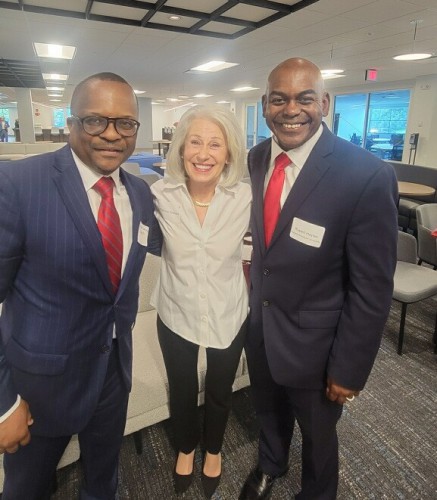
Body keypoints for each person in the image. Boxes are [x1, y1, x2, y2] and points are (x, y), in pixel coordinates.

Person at [239, 58, 398, 500]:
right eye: (279, 99)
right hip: (261, 328)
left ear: (324, 103)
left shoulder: (365, 175)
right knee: (267, 412)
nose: (292, 109)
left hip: (319, 347)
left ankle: (317, 492)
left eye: (305, 98)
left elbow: (372, 289)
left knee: (318, 435)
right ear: (265, 105)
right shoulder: (256, 159)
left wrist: (349, 368)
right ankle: (270, 465)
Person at [0, 72, 161, 499]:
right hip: (40, 386)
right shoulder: (18, 185)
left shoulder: (141, 194)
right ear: (71, 124)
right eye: (95, 121)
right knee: (26, 488)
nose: (112, 134)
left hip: (113, 370)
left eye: (125, 123)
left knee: (103, 478)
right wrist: (4, 403)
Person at [150, 105, 251, 498]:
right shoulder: (159, 194)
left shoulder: (245, 196)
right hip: (175, 308)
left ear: (229, 153)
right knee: (182, 385)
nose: (203, 154)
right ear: (180, 147)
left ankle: (213, 450)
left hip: (229, 309)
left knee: (221, 388)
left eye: (215, 144)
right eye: (195, 142)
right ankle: (187, 447)